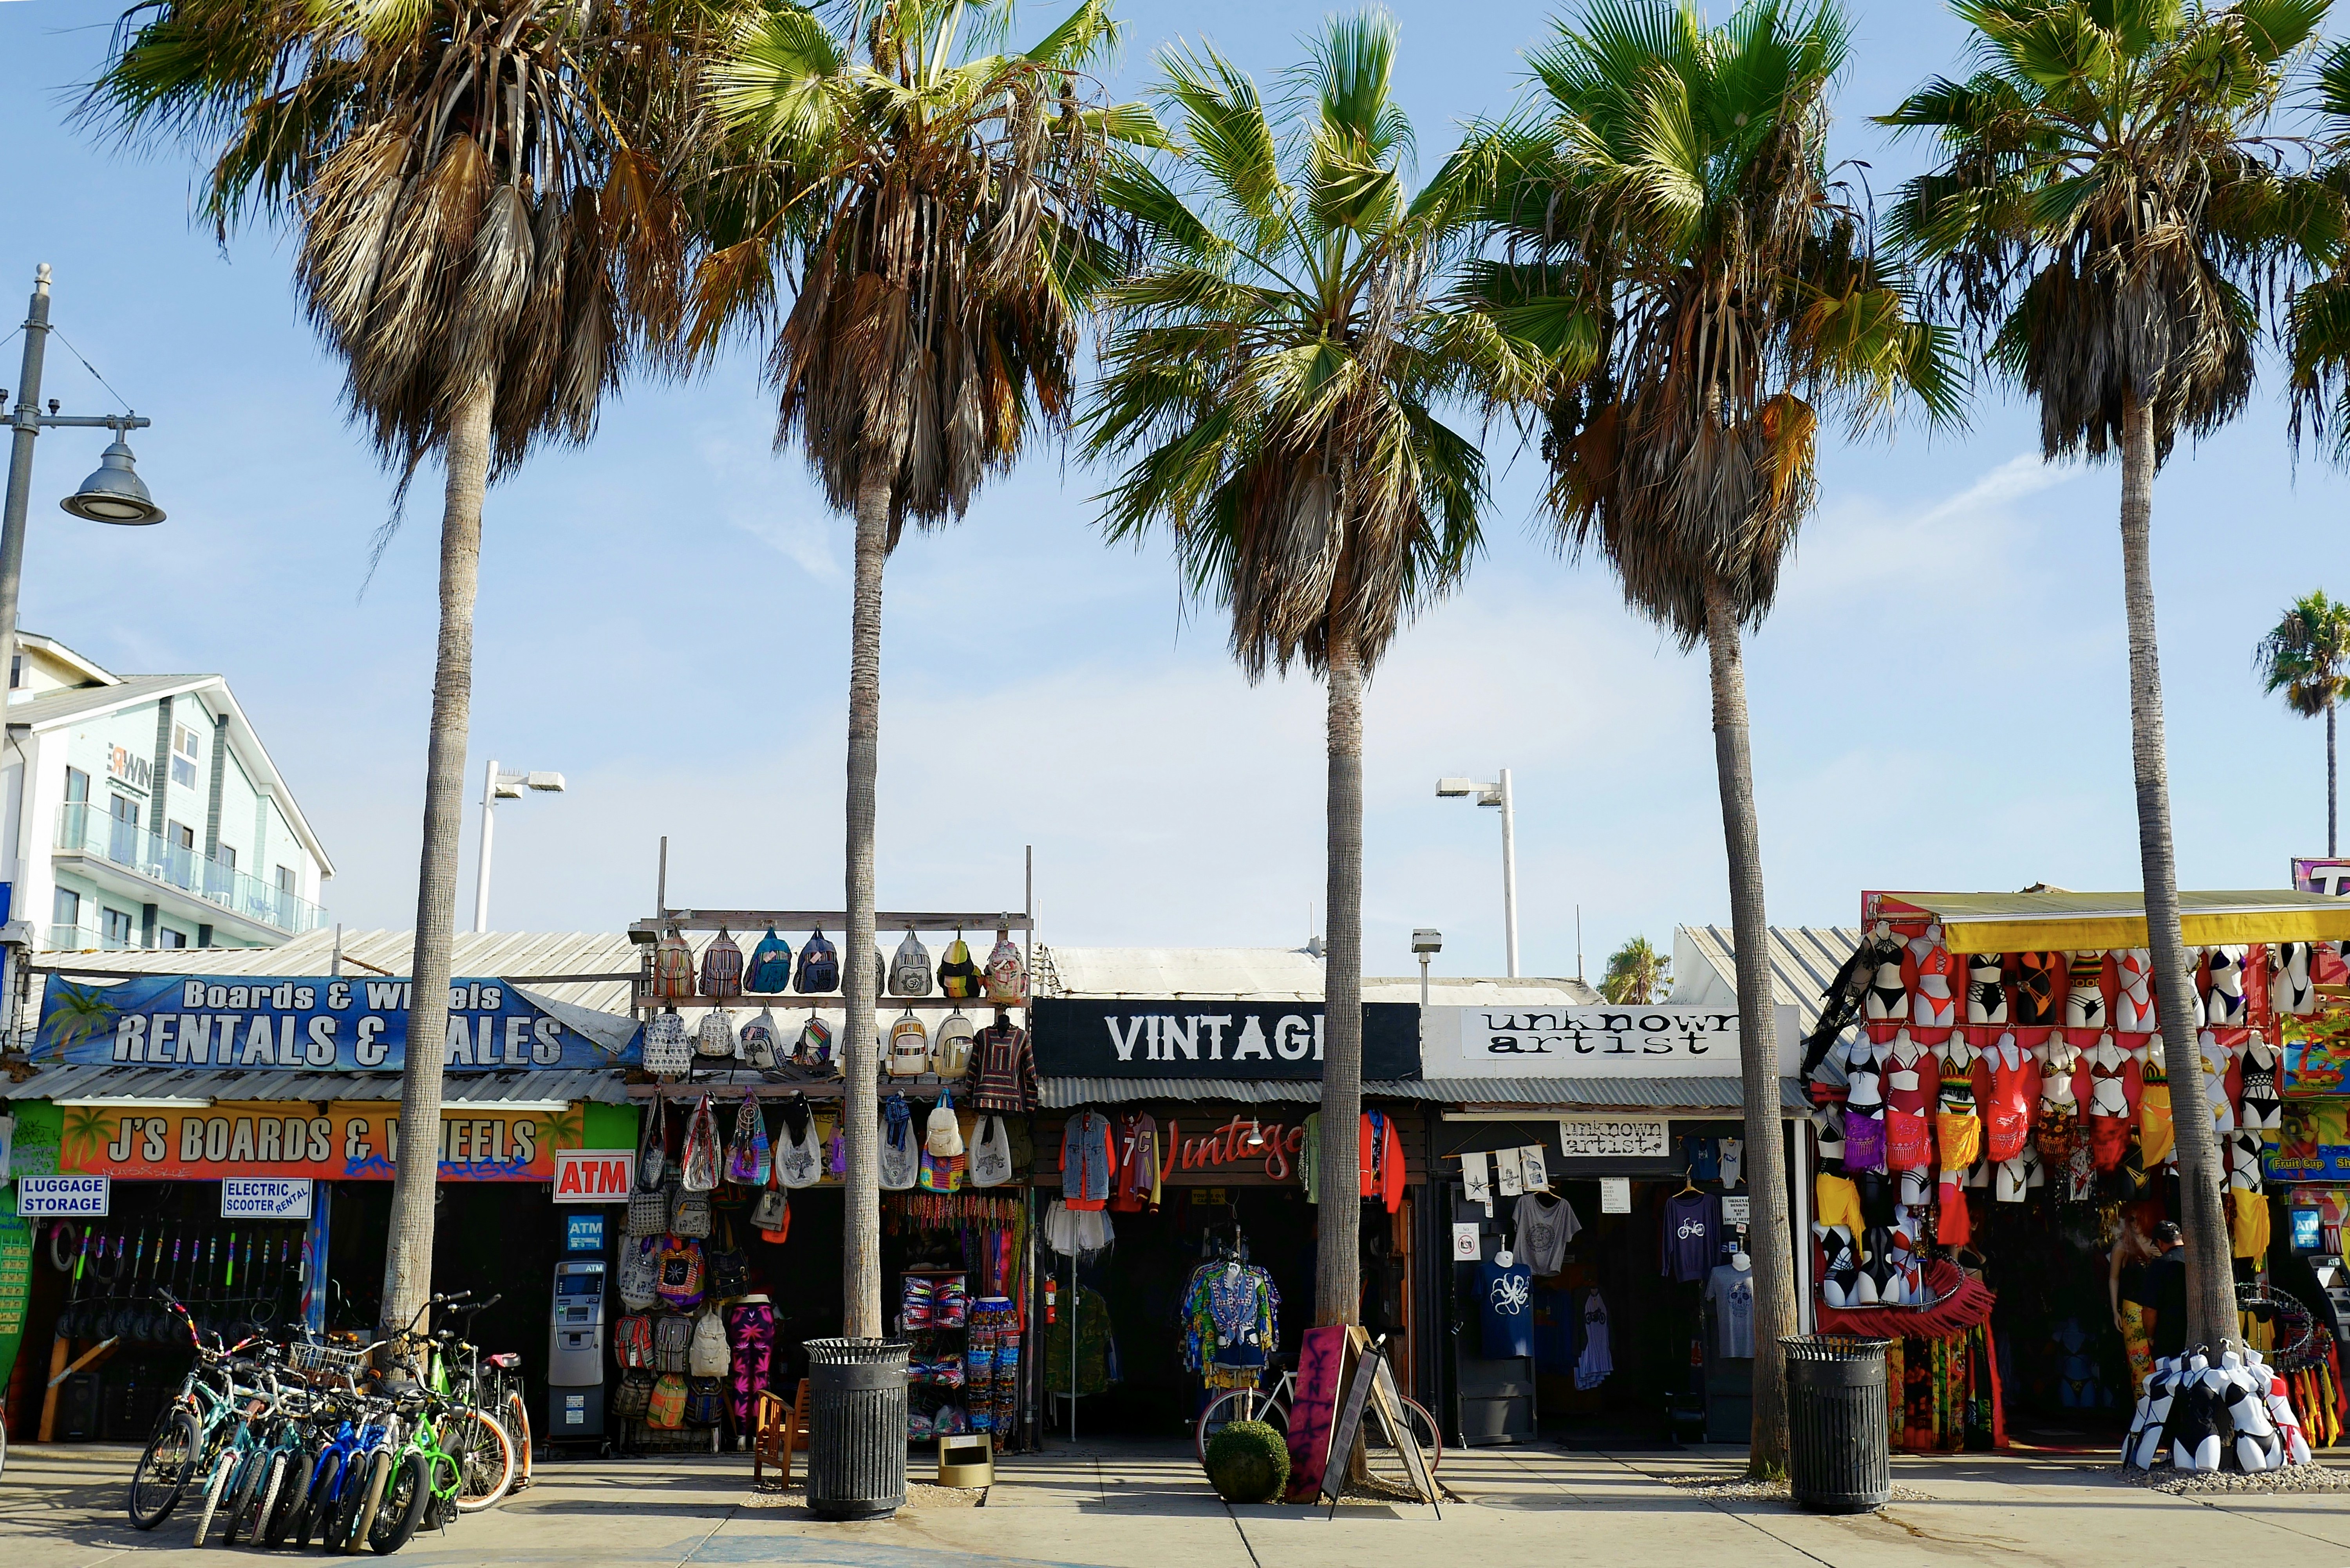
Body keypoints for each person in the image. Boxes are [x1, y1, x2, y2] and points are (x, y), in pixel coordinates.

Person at [2109, 1212, 2160, 1389]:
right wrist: (2115, 1310)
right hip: (2133, 1307)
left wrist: (2160, 1257)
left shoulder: (2157, 1244)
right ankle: (2142, 1405)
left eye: (2140, 1218)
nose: (2136, 1223)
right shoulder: (2123, 1246)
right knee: (2138, 1361)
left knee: (2160, 1359)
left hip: (2156, 1308)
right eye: (2132, 1219)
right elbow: (2114, 1278)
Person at [2142, 1221, 2189, 1359]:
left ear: (2159, 1243)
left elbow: (2150, 1310)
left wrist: (2150, 1336)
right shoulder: (2197, 1259)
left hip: (2170, 1339)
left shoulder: (2160, 1265)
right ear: (2180, 1236)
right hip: (2200, 1335)